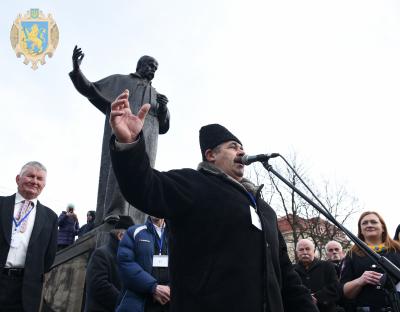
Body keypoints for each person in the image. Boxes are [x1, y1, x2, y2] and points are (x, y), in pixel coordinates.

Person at [108, 90, 318, 312]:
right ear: (211, 155)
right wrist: (129, 145)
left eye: (242, 147)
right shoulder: (194, 184)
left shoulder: (264, 210)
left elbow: (285, 273)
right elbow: (144, 187)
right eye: (232, 146)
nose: (241, 151)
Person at [69, 46, 170, 224]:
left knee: (144, 175)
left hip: (149, 140)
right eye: (150, 65)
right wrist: (77, 71)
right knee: (120, 170)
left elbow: (164, 126)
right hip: (122, 135)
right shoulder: (121, 81)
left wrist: (163, 108)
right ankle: (114, 212)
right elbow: (91, 89)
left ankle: (138, 218)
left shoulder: (157, 95)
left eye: (155, 68)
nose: (152, 69)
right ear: (139, 65)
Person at [0, 161, 58, 312]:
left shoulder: (50, 217)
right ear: (18, 179)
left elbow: (49, 257)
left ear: (44, 185)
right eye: (30, 176)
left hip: (25, 289)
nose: (34, 181)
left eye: (40, 179)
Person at [341, 211, 400, 311]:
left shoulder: (397, 249)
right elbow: (345, 292)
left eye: (373, 222)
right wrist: (359, 281)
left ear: (383, 228)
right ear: (361, 230)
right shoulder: (352, 254)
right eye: (364, 223)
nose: (369, 225)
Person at [116, 216, 170, 312]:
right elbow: (125, 263)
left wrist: (170, 289)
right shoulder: (134, 232)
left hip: (169, 302)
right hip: (140, 303)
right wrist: (153, 287)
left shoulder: (176, 235)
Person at [84, 216, 133, 312]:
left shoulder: (127, 257)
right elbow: (99, 285)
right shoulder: (101, 254)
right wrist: (124, 302)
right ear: (121, 236)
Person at [294, 239, 339, 312]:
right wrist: (306, 298)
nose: (305, 252)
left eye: (308, 249)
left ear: (314, 251)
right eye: (301, 250)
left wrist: (317, 297)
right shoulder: (292, 270)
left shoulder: (327, 266)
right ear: (297, 253)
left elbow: (335, 287)